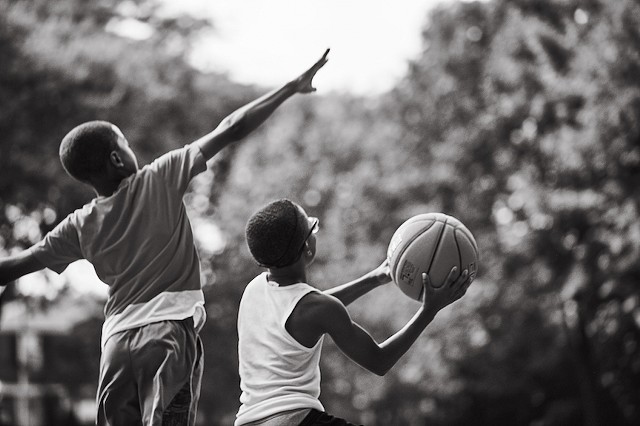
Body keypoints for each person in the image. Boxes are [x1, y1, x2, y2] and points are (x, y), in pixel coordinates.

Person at [0, 49, 329, 426]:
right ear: (116, 158)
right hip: (167, 336)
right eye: (124, 143)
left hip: (116, 345)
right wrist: (289, 87)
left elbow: (15, 265)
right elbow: (231, 127)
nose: (130, 148)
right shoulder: (159, 177)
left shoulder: (78, 225)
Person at [237, 199, 472, 426]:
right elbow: (379, 361)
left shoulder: (254, 290)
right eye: (312, 227)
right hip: (295, 420)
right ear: (307, 248)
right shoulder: (318, 308)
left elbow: (309, 307)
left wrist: (373, 279)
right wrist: (428, 311)